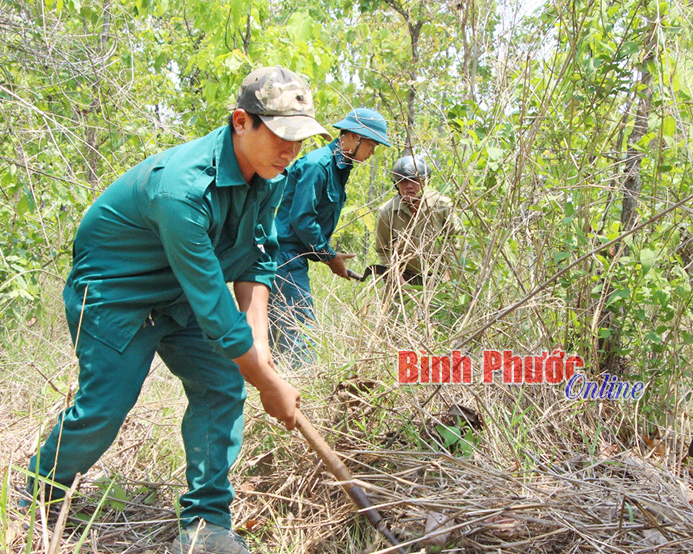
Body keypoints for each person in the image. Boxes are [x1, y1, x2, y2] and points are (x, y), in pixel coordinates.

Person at [24, 66, 331, 554]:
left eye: (299, 140)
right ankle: (38, 495)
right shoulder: (182, 189)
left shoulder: (270, 175)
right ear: (241, 122)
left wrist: (261, 353)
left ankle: (207, 524)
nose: (290, 151)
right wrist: (268, 384)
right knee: (105, 407)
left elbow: (257, 258)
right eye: (280, 136)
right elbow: (215, 308)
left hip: (182, 296)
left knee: (222, 385)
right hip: (117, 295)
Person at [270, 108, 390, 364]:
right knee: (301, 336)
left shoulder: (339, 168)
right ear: (354, 137)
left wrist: (329, 257)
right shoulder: (318, 165)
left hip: (292, 258)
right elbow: (302, 219)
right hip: (284, 258)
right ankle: (301, 385)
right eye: (371, 145)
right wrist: (329, 256)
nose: (372, 153)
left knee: (277, 334)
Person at [375, 154, 461, 285]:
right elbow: (383, 251)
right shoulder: (387, 212)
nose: (409, 186)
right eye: (403, 181)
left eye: (415, 180)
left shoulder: (443, 206)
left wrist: (447, 278)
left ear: (425, 182)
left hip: (439, 277)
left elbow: (456, 242)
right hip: (403, 277)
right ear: (396, 184)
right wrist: (399, 280)